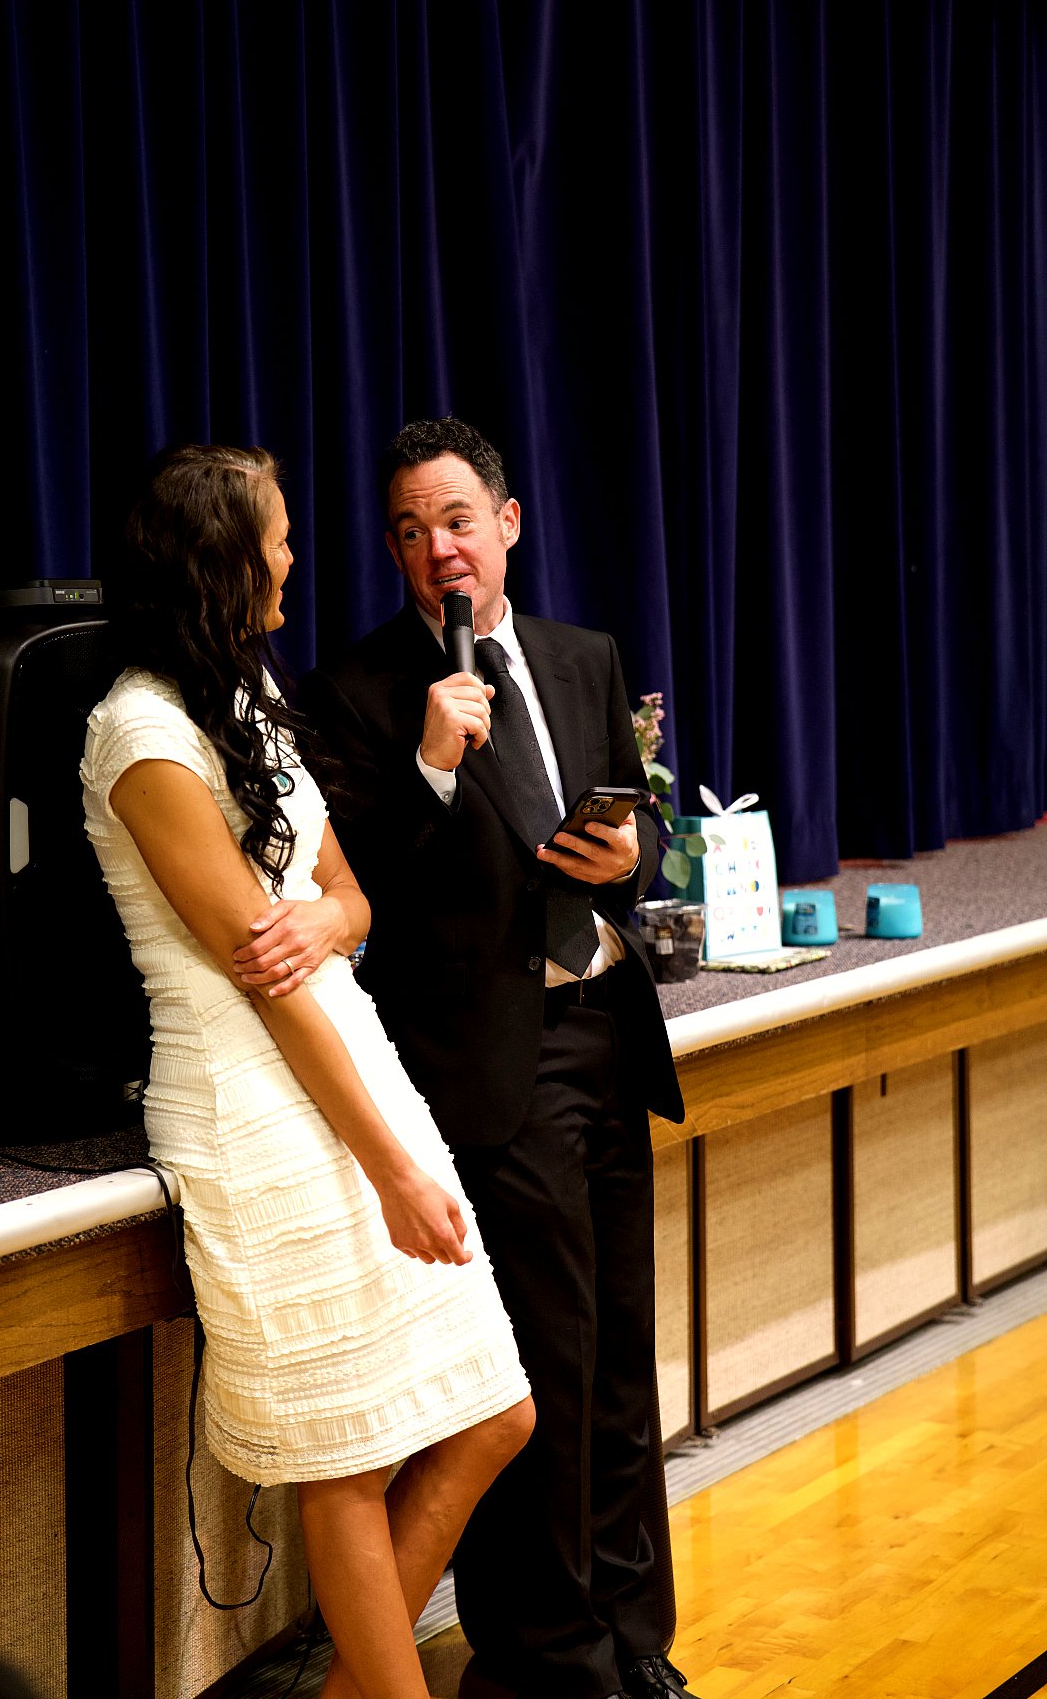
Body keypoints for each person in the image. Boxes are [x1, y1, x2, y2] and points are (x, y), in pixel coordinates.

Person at [81, 443, 534, 1699]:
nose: (292, 557)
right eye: (277, 538)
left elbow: (347, 898)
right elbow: (263, 983)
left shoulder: (245, 694)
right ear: (224, 561)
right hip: (254, 1106)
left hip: (350, 1066)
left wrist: (331, 917)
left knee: (497, 1412)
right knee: (347, 1454)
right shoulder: (140, 733)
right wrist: (394, 1170)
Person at [290, 419, 698, 1699]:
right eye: (411, 532)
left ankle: (636, 1641)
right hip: (488, 1066)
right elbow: (361, 903)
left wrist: (632, 858)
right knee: (544, 1372)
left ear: (508, 524)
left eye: (458, 522)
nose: (439, 552)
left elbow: (640, 823)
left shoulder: (582, 658)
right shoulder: (356, 692)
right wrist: (427, 766)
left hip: (605, 1030)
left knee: (620, 1359)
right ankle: (546, 1663)